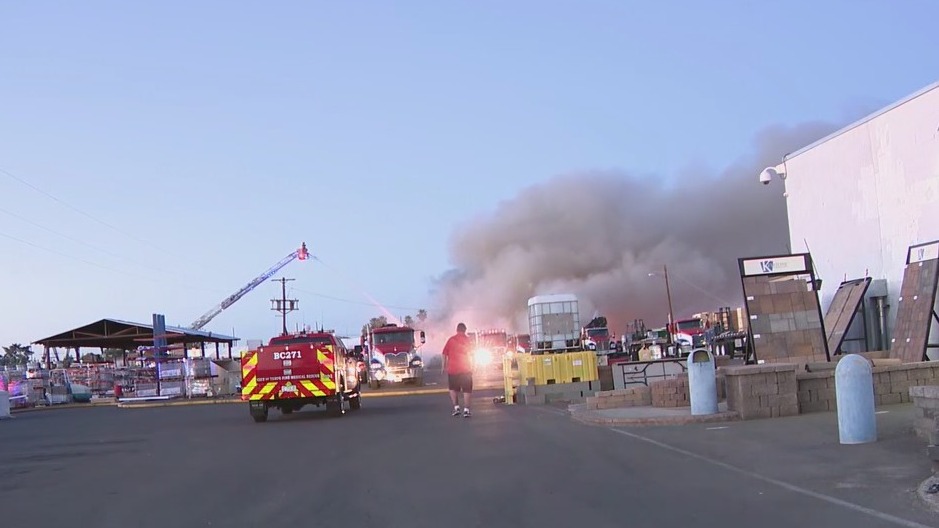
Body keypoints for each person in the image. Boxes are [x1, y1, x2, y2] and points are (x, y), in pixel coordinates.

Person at [441, 322, 473, 417]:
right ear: (465, 330)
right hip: (466, 369)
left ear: (457, 330)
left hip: (453, 369)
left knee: (453, 389)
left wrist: (443, 366)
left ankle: (456, 408)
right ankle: (466, 410)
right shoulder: (468, 340)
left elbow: (444, 353)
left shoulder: (451, 340)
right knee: (467, 390)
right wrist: (473, 366)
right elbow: (471, 354)